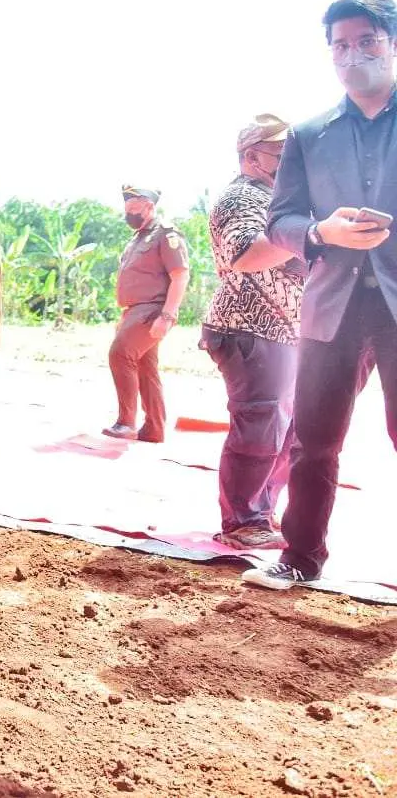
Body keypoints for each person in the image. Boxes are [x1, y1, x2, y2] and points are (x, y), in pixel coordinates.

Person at [243, 0, 397, 590]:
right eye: (340, 44)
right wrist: (319, 232)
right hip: (330, 306)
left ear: (391, 43)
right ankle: (300, 557)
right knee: (313, 439)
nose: (352, 54)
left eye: (367, 41)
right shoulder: (309, 134)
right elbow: (279, 220)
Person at [200, 114, 304, 550]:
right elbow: (245, 254)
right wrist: (316, 236)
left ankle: (259, 512)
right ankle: (243, 521)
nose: (290, 161)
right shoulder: (243, 197)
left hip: (281, 331)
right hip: (250, 328)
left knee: (283, 429)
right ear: (251, 157)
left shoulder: (272, 196)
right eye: (281, 154)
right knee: (261, 426)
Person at [103, 186, 190, 443]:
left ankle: (126, 423)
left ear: (150, 207)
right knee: (144, 367)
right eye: (127, 210)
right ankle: (154, 429)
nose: (129, 215)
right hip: (134, 311)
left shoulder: (165, 234)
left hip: (152, 310)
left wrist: (168, 316)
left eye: (134, 210)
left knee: (120, 354)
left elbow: (180, 275)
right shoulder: (137, 239)